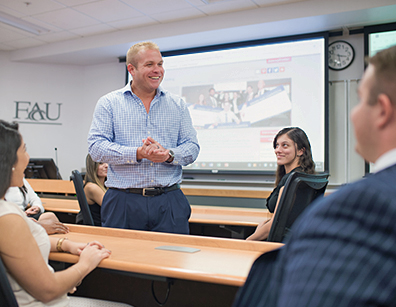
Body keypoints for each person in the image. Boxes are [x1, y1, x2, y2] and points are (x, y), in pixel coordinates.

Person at [233, 45, 396, 306]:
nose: (353, 113)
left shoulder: (364, 202)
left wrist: (247, 245)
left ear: (383, 111)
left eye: (361, 99)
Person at [0, 120, 132, 307]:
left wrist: (66, 245)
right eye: (24, 150)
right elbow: (49, 290)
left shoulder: (5, 210)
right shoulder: (8, 218)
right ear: (8, 162)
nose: (28, 157)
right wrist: (85, 264)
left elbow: (22, 243)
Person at [88, 41, 200, 234]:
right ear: (131, 69)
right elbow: (96, 147)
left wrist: (169, 155)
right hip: (123, 202)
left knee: (172, 260)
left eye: (160, 64)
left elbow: (192, 147)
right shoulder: (109, 103)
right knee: (120, 262)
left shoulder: (177, 104)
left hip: (169, 201)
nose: (157, 70)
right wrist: (137, 153)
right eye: (149, 65)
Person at [246, 127, 315, 241]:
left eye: (285, 145)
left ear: (300, 151)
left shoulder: (292, 180)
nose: (277, 150)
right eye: (277, 145)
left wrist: (247, 242)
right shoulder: (303, 177)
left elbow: (275, 225)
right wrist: (265, 224)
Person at [5, 177, 69, 235]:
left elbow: (34, 198)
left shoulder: (21, 180)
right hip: (11, 220)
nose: (24, 174)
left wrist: (36, 207)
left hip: (24, 216)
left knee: (50, 216)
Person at [76, 154, 108, 226]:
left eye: (107, 162)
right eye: (101, 163)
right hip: (98, 228)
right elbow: (111, 207)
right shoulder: (92, 187)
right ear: (93, 166)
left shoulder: (104, 186)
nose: (106, 165)